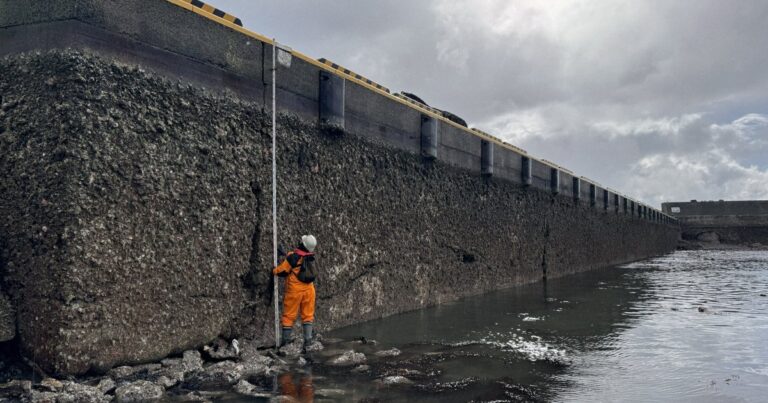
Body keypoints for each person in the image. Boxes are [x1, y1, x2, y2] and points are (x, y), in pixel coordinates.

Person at [273, 235, 318, 350]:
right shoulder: (311, 257)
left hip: (295, 290)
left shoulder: (293, 257)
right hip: (309, 290)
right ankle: (308, 341)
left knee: (289, 315)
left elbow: (283, 271)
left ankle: (285, 343)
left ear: (303, 244)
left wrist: (274, 271)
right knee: (308, 315)